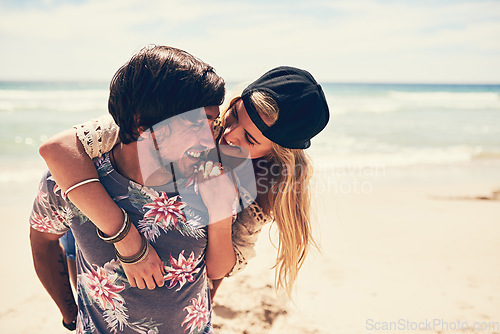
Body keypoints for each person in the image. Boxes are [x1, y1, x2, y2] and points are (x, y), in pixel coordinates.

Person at [40, 65, 330, 301]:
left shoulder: (264, 187)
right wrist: (127, 240)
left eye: (250, 139)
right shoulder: (190, 120)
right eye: (234, 115)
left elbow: (216, 273)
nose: (228, 134)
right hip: (95, 214)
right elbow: (59, 149)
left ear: (276, 153)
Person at [30, 45, 233, 333]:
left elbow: (217, 270)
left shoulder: (206, 180)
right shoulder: (70, 182)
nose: (207, 140)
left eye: (210, 121)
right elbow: (42, 241)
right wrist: (70, 314)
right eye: (194, 124)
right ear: (141, 123)